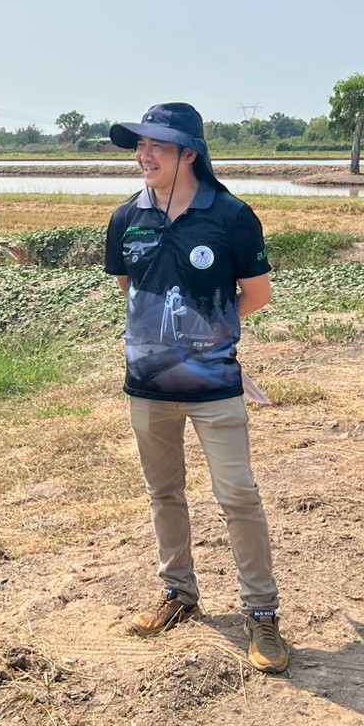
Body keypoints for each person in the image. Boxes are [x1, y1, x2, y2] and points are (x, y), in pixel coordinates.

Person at [103, 102, 289, 672]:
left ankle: (261, 613)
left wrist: (206, 332)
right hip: (147, 385)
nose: (144, 155)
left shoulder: (230, 216)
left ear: (189, 153)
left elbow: (257, 295)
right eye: (139, 145)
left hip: (215, 387)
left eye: (156, 145)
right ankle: (178, 592)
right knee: (164, 492)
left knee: (238, 496)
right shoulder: (126, 218)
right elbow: (130, 288)